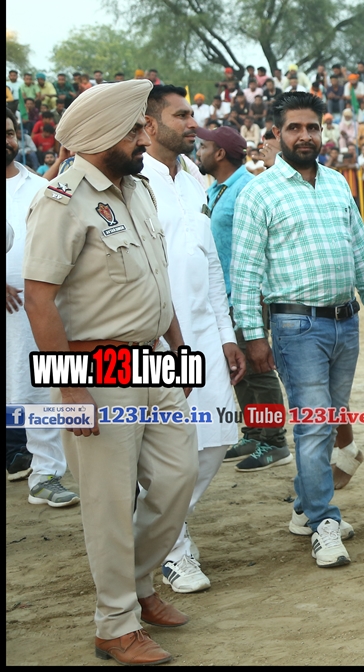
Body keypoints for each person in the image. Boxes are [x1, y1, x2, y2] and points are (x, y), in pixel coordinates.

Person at [23, 80, 197, 665]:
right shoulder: (61, 200)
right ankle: (115, 623)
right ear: (101, 136)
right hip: (98, 368)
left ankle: (139, 582)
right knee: (109, 501)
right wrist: (70, 388)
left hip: (154, 360)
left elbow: (156, 278)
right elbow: (39, 299)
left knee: (176, 479)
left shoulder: (137, 187)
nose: (143, 138)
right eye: (133, 131)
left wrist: (178, 348)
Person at [231, 91, 364, 569]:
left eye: (312, 127)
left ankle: (304, 507)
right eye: (294, 128)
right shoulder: (259, 192)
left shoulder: (337, 182)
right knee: (315, 425)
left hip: (344, 320)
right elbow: (245, 273)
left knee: (328, 420)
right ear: (276, 134)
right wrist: (254, 336)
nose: (305, 136)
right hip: (295, 326)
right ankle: (323, 522)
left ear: (323, 131)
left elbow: (359, 248)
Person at [141, 85, 244, 593]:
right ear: (149, 124)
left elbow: (210, 263)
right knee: (167, 453)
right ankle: (173, 550)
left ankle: (159, 532)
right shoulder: (134, 179)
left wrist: (226, 334)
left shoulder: (194, 180)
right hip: (152, 338)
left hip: (203, 333)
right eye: (181, 116)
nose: (191, 125)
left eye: (192, 115)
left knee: (218, 436)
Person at [195, 125, 293, 472]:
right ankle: (254, 432)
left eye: (204, 147)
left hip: (247, 292)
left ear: (220, 153)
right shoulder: (217, 189)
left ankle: (275, 441)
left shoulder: (247, 189)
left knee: (258, 367)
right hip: (223, 294)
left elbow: (264, 243)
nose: (199, 152)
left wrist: (259, 294)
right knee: (239, 368)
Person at [6, 107, 78, 508]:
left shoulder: (38, 186)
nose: (7, 140)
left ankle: (46, 473)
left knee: (38, 386)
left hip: (31, 309)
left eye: (10, 132)